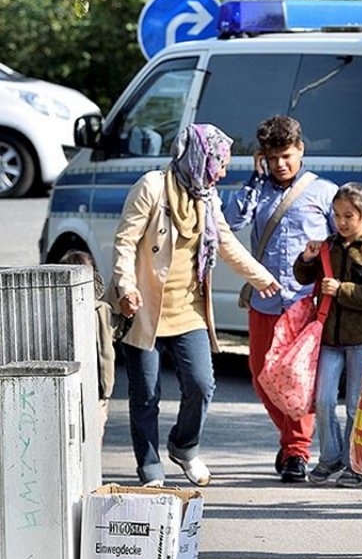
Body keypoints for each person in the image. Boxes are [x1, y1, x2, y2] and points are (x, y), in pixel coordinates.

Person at [110, 124, 278, 487]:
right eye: (219, 162)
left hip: (189, 308)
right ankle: (150, 467)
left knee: (201, 384)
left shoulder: (206, 196)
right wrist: (126, 286)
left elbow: (228, 243)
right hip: (145, 308)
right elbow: (125, 242)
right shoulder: (152, 187)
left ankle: (184, 446)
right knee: (145, 395)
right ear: (199, 158)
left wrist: (260, 276)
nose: (222, 171)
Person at [223, 115, 339, 484]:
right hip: (265, 299)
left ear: (301, 149)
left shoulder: (324, 193)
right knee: (261, 376)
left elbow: (345, 242)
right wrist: (254, 180)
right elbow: (230, 222)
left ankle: (296, 450)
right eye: (272, 158)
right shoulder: (259, 188)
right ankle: (290, 439)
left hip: (304, 302)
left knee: (297, 379)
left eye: (287, 155)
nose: (280, 164)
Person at [292, 183, 362, 487]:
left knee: (354, 407)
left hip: (361, 340)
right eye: (336, 215)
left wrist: (342, 290)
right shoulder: (327, 247)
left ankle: (355, 465)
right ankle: (330, 457)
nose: (342, 222)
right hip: (329, 340)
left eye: (349, 215)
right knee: (322, 401)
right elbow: (303, 277)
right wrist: (306, 259)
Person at [59, 250, 118, 444]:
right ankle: (89, 474)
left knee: (69, 437)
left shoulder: (58, 308)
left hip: (68, 386)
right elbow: (109, 345)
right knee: (93, 437)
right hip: (97, 388)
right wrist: (106, 389)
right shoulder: (101, 310)